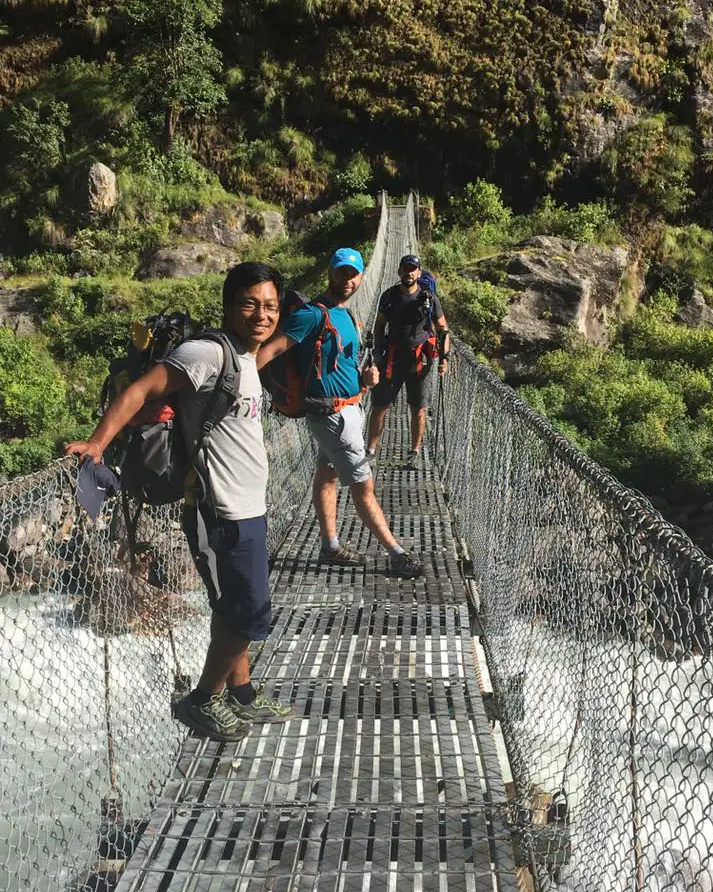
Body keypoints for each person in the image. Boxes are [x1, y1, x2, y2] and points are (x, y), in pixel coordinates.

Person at [65, 262, 293, 743]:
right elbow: (143, 390)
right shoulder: (207, 352)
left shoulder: (246, 357)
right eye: (250, 303)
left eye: (270, 306)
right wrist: (97, 444)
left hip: (250, 506)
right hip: (219, 508)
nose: (262, 314)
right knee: (249, 611)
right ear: (229, 305)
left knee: (232, 604)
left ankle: (242, 695)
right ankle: (201, 701)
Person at [256, 248, 423, 578]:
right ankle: (396, 553)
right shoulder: (313, 315)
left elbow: (342, 363)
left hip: (351, 408)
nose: (348, 280)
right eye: (342, 272)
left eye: (353, 274)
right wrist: (240, 385)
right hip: (332, 416)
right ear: (330, 272)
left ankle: (330, 546)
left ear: (361, 277)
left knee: (328, 475)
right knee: (364, 488)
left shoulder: (347, 317)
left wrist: (365, 380)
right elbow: (270, 351)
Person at [366, 254, 450, 467]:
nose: (409, 272)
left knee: (418, 408)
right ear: (399, 271)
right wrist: (377, 350)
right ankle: (371, 451)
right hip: (391, 359)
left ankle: (414, 452)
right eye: (405, 268)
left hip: (419, 361)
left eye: (413, 269)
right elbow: (379, 325)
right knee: (380, 406)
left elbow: (443, 328)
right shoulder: (388, 296)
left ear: (419, 273)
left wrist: (444, 357)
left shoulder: (429, 298)